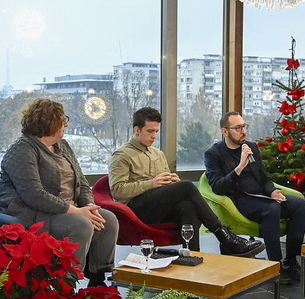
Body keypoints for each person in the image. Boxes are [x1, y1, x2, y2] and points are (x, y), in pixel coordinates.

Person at [109, 106, 264, 257]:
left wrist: (172, 182)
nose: (154, 136)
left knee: (187, 205)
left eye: (156, 131)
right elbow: (117, 190)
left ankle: (191, 255)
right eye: (150, 131)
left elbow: (165, 183)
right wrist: (152, 183)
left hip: (158, 205)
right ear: (137, 130)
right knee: (187, 186)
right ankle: (223, 235)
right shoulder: (122, 155)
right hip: (135, 210)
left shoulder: (158, 153)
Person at [0, 98, 118, 284]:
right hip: (37, 213)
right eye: (63, 120)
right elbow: (34, 195)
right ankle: (67, 284)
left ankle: (98, 280)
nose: (66, 124)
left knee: (108, 219)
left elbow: (82, 183)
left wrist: (89, 206)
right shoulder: (21, 150)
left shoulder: (64, 146)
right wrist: (78, 211)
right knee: (81, 224)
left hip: (70, 209)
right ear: (48, 122)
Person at [203, 111, 305, 284]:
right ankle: (275, 266)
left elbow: (264, 177)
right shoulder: (213, 154)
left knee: (301, 206)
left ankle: (291, 261)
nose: (243, 131)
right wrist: (239, 167)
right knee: (272, 209)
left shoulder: (251, 147)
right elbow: (217, 187)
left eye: (244, 126)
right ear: (225, 131)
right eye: (237, 128)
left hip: (263, 197)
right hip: (241, 200)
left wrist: (272, 192)